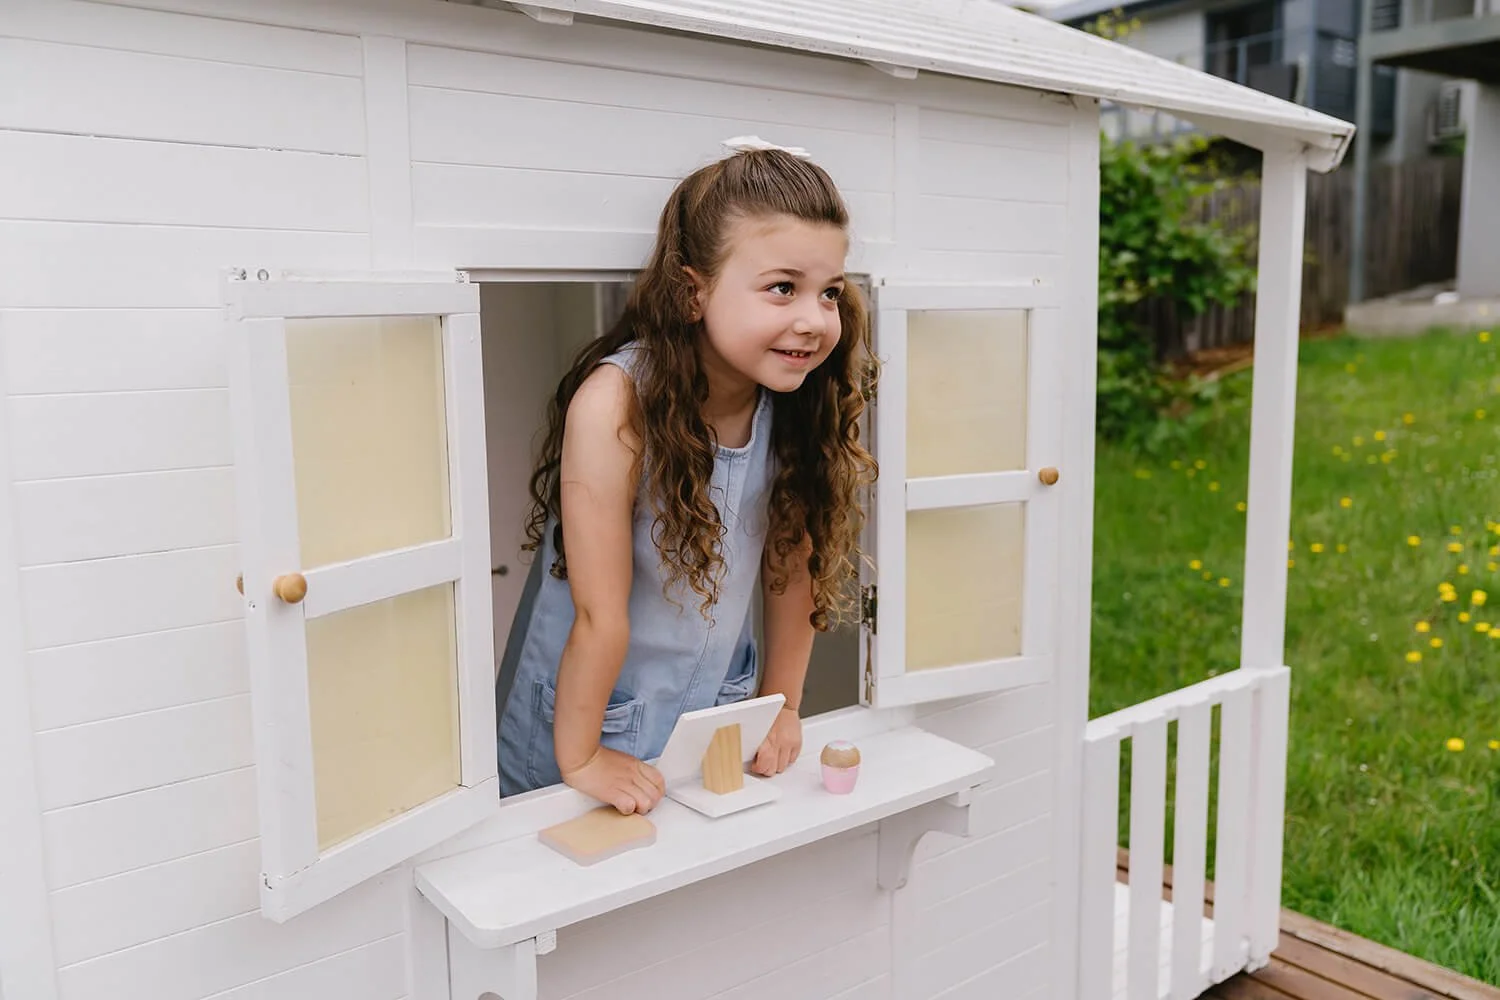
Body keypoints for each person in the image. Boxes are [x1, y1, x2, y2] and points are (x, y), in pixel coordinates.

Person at [494, 135, 877, 815]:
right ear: (693, 290)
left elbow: (793, 568)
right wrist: (583, 755)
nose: (814, 320)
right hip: (585, 721)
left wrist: (783, 706)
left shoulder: (790, 399)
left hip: (711, 713)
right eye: (782, 288)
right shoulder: (615, 405)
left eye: (829, 293)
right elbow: (598, 611)